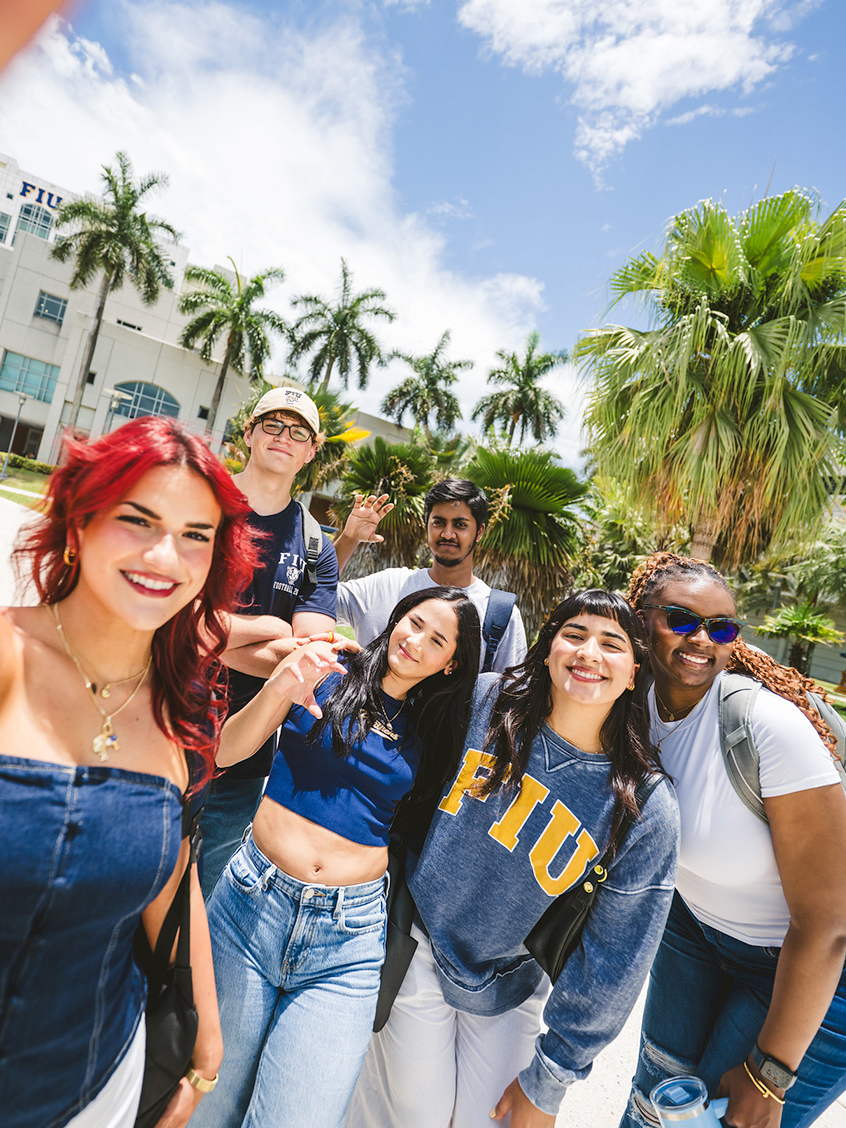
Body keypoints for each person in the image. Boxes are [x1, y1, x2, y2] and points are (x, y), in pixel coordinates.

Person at [0, 416, 258, 1128]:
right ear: (78, 523)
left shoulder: (175, 715)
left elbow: (172, 865)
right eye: (138, 519)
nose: (167, 556)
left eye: (197, 534)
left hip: (94, 1092)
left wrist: (206, 1032)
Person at [346, 589, 681, 1128]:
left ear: (634, 672)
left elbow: (615, 959)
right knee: (411, 1117)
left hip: (513, 981)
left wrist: (552, 1078)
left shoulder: (643, 806)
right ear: (548, 649)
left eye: (611, 644)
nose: (588, 653)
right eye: (573, 635)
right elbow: (389, 719)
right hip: (417, 946)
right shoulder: (483, 702)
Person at [192, 587, 482, 1128]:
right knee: (210, 1104)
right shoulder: (326, 667)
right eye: (413, 622)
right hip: (250, 906)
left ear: (452, 664)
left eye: (436, 639)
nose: (415, 641)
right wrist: (283, 681)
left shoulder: (441, 735)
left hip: (347, 937)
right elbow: (226, 752)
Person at [621, 553, 846, 1128]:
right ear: (641, 618)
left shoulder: (765, 727)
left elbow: (828, 925)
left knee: (726, 1121)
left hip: (812, 966)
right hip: (696, 930)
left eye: (721, 627)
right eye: (681, 618)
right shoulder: (629, 705)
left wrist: (770, 1076)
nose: (703, 639)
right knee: (653, 1106)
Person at [199, 386, 339, 896]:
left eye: (298, 432)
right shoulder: (201, 504)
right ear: (250, 433)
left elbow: (306, 662)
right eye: (273, 426)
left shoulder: (315, 544)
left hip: (243, 753)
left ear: (310, 451)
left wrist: (205, 632)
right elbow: (164, 619)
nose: (284, 438)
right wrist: (272, 628)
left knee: (200, 898)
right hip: (160, 720)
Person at [335, 478, 527, 673]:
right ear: (426, 525)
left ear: (479, 532)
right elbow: (312, 595)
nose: (448, 533)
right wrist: (349, 538)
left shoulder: (500, 614)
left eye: (460, 525)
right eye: (438, 522)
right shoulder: (387, 585)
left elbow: (507, 693)